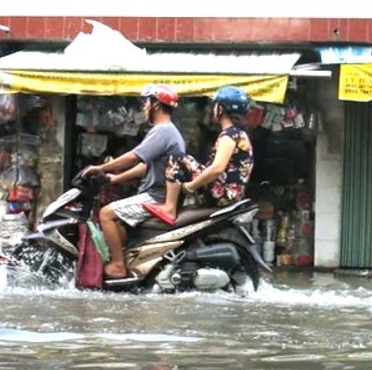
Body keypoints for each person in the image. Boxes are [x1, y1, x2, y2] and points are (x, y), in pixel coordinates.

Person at [83, 84, 185, 278]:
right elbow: (145, 165)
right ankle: (126, 261)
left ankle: (118, 265)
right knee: (118, 219)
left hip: (156, 196)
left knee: (106, 214)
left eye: (146, 102)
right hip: (156, 194)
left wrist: (100, 168)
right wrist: (116, 179)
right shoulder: (167, 131)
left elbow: (134, 157)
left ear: (155, 105)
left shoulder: (162, 131)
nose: (144, 107)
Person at [143, 86, 254, 225]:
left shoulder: (230, 136)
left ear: (220, 109)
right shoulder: (240, 135)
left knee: (177, 158)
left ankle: (169, 208)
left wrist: (191, 186)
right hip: (230, 195)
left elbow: (217, 168)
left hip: (223, 195)